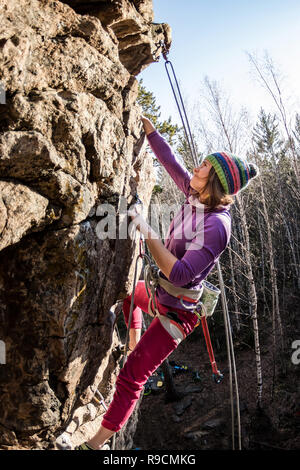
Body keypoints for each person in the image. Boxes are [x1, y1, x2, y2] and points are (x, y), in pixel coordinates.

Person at [75, 116, 259, 450]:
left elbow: (180, 274)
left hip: (178, 314)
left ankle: (95, 444)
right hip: (162, 296)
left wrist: (146, 228)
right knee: (129, 297)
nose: (197, 167)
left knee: (132, 377)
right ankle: (134, 347)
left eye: (204, 165)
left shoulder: (217, 226)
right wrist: (150, 131)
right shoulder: (195, 195)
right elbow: (171, 162)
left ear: (215, 180)